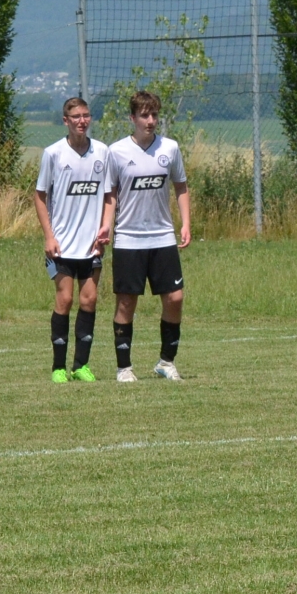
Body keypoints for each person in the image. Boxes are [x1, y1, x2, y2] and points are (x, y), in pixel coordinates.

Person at [93, 89, 190, 382]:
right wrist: (106, 225)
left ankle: (166, 363)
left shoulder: (170, 148)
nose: (150, 121)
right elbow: (110, 193)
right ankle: (124, 368)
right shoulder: (117, 151)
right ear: (132, 118)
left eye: (154, 115)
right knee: (126, 302)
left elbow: (181, 185)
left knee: (175, 298)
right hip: (129, 239)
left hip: (163, 236)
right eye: (145, 115)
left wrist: (185, 223)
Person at [33, 96, 109, 382]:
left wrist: (106, 227)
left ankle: (81, 366)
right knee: (64, 300)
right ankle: (58, 368)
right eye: (76, 116)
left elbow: (109, 194)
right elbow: (40, 196)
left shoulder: (102, 151)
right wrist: (49, 236)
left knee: (89, 300)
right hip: (62, 245)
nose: (82, 121)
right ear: (65, 120)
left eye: (86, 115)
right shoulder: (53, 153)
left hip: (91, 246)